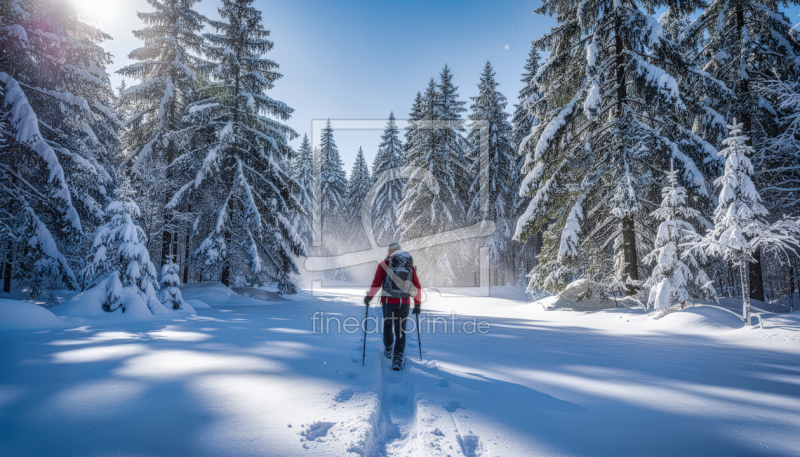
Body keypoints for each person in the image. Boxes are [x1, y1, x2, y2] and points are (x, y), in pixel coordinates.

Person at [364, 242, 422, 370]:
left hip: (387, 302)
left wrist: (370, 297)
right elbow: (416, 286)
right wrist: (417, 304)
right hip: (404, 302)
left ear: (389, 252)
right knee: (400, 330)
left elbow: (376, 283)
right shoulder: (409, 266)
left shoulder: (383, 264)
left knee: (388, 325)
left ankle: (389, 348)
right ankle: (398, 357)